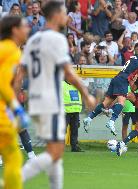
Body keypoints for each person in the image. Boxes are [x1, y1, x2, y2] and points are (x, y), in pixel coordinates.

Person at [19, 2, 96, 189]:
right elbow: (68, 72)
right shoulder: (57, 39)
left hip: (37, 99)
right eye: (64, 14)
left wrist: (15, 97)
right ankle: (12, 181)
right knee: (54, 152)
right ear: (55, 15)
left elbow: (21, 72)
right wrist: (86, 94)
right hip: (49, 100)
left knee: (56, 152)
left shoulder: (34, 39)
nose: (66, 18)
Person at [83, 42, 138, 136]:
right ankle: (111, 121)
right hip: (123, 80)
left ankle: (89, 118)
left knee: (105, 103)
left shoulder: (132, 59)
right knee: (121, 103)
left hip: (116, 79)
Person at [0, 15, 30, 189]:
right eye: (24, 26)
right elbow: (3, 83)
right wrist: (16, 108)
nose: (27, 29)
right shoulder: (12, 51)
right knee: (13, 157)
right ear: (14, 30)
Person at [121, 87, 138, 153]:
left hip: (136, 109)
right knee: (125, 126)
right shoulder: (125, 85)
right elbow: (121, 97)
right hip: (126, 108)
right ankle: (124, 145)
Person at [63, 81, 83, 152]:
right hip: (65, 112)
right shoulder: (61, 84)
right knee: (62, 130)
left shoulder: (76, 84)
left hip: (76, 111)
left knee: (75, 130)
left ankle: (74, 147)